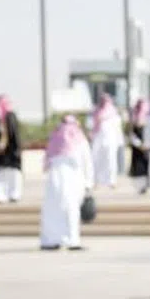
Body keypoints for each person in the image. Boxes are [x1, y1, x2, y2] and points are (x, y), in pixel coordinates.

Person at [39, 115, 94, 251]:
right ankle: (71, 240)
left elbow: (47, 162)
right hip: (73, 180)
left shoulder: (55, 138)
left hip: (55, 180)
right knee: (70, 210)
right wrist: (89, 183)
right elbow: (87, 162)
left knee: (52, 211)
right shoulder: (79, 139)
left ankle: (50, 240)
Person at [0, 94, 23, 202]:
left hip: (12, 153)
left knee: (13, 174)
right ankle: (1, 194)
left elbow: (12, 135)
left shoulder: (10, 116)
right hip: (3, 154)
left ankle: (14, 194)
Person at [88, 92, 124, 189]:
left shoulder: (114, 114)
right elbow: (91, 127)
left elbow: (118, 130)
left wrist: (119, 142)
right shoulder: (95, 112)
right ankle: (95, 181)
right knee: (96, 160)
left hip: (110, 141)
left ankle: (111, 181)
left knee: (111, 160)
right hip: (98, 141)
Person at [127, 99, 150, 194]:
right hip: (137, 148)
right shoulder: (133, 118)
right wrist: (138, 144)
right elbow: (131, 133)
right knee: (138, 167)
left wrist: (147, 144)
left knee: (148, 166)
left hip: (147, 146)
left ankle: (148, 185)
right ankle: (140, 187)